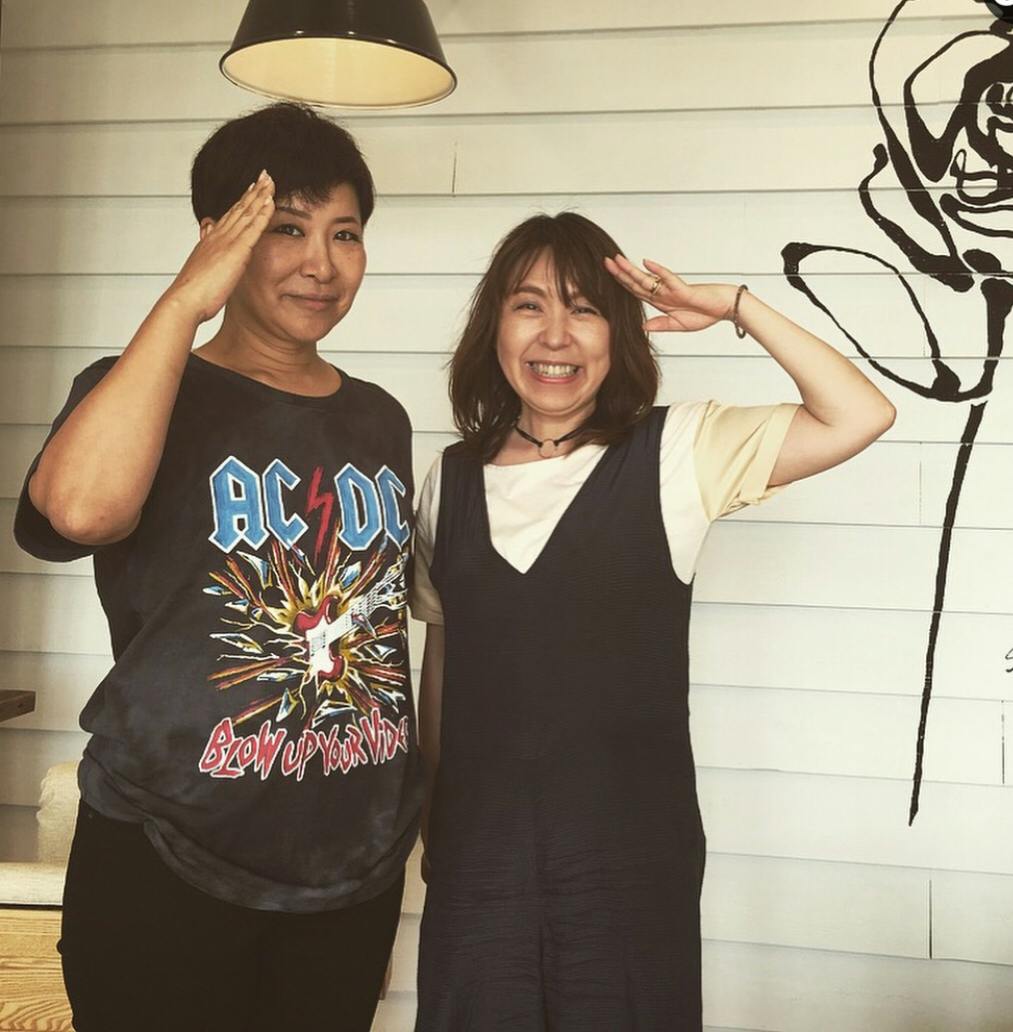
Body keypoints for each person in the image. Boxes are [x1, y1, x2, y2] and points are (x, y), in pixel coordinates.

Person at [409, 212, 896, 1030]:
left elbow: (858, 414)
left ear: (619, 333)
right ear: (493, 324)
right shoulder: (448, 480)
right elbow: (444, 658)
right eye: (529, 305)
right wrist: (435, 815)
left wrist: (736, 305)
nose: (555, 335)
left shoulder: (678, 451)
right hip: (480, 859)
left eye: (585, 308)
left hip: (627, 863)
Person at [14, 103, 421, 1032]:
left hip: (349, 864)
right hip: (169, 848)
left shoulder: (379, 418)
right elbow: (80, 512)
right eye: (287, 229)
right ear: (220, 238)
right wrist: (182, 304)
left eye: (345, 233)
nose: (322, 264)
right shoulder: (136, 388)